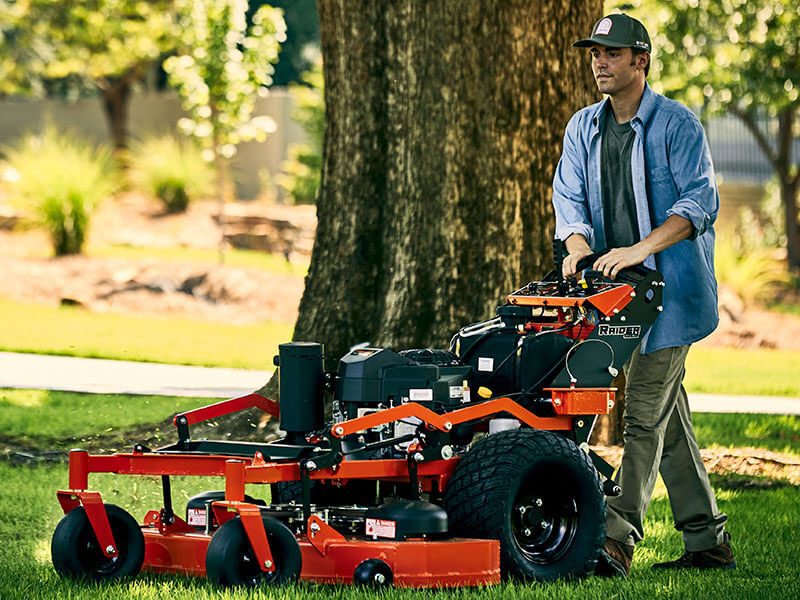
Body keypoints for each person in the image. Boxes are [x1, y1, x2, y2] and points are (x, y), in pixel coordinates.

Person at [551, 13, 736, 577]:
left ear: (641, 60)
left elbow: (698, 205)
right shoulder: (583, 127)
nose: (600, 62)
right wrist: (577, 247)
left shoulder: (679, 127)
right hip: (617, 298)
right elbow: (570, 200)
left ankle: (616, 538)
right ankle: (707, 542)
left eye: (611, 52)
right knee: (665, 415)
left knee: (641, 416)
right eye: (594, 53)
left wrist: (635, 250)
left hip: (672, 298)